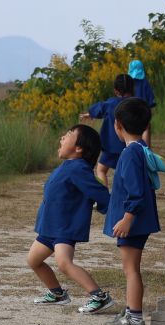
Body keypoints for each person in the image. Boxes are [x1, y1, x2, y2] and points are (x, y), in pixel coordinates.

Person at [28, 124, 115, 314]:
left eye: (67, 135)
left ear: (79, 148)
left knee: (64, 263)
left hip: (64, 228)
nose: (61, 137)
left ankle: (99, 296)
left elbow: (99, 193)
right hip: (49, 227)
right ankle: (57, 294)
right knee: (33, 260)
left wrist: (115, 214)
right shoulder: (68, 165)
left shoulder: (78, 168)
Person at [102, 98, 161, 325]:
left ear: (117, 125)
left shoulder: (129, 155)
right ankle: (129, 311)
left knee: (130, 270)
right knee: (130, 268)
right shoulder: (139, 149)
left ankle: (135, 319)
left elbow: (135, 192)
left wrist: (127, 218)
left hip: (133, 223)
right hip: (137, 221)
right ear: (146, 126)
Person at [79, 74, 133, 185]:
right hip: (130, 146)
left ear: (116, 91)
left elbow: (99, 108)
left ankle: (103, 195)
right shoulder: (136, 104)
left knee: (101, 170)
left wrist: (89, 114)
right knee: (127, 172)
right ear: (133, 88)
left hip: (111, 147)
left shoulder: (111, 104)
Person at [128, 60, 156, 146]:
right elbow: (150, 98)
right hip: (144, 108)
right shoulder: (145, 82)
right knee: (145, 128)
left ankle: (132, 147)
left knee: (130, 129)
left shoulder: (128, 82)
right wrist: (151, 109)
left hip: (131, 107)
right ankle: (146, 148)